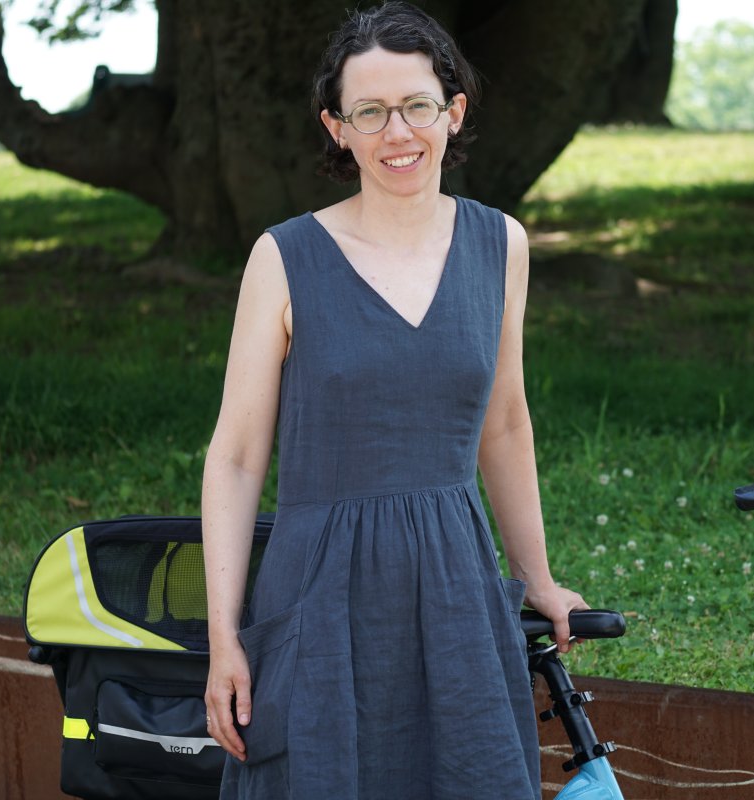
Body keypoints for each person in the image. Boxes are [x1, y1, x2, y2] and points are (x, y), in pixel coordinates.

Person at [200, 3, 588, 798]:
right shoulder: (284, 257)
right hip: (321, 593)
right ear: (337, 128)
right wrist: (222, 640)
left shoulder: (500, 245)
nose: (397, 132)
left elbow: (505, 425)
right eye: (369, 112)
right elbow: (237, 459)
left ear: (454, 111)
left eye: (415, 105)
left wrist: (538, 577)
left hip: (455, 585)